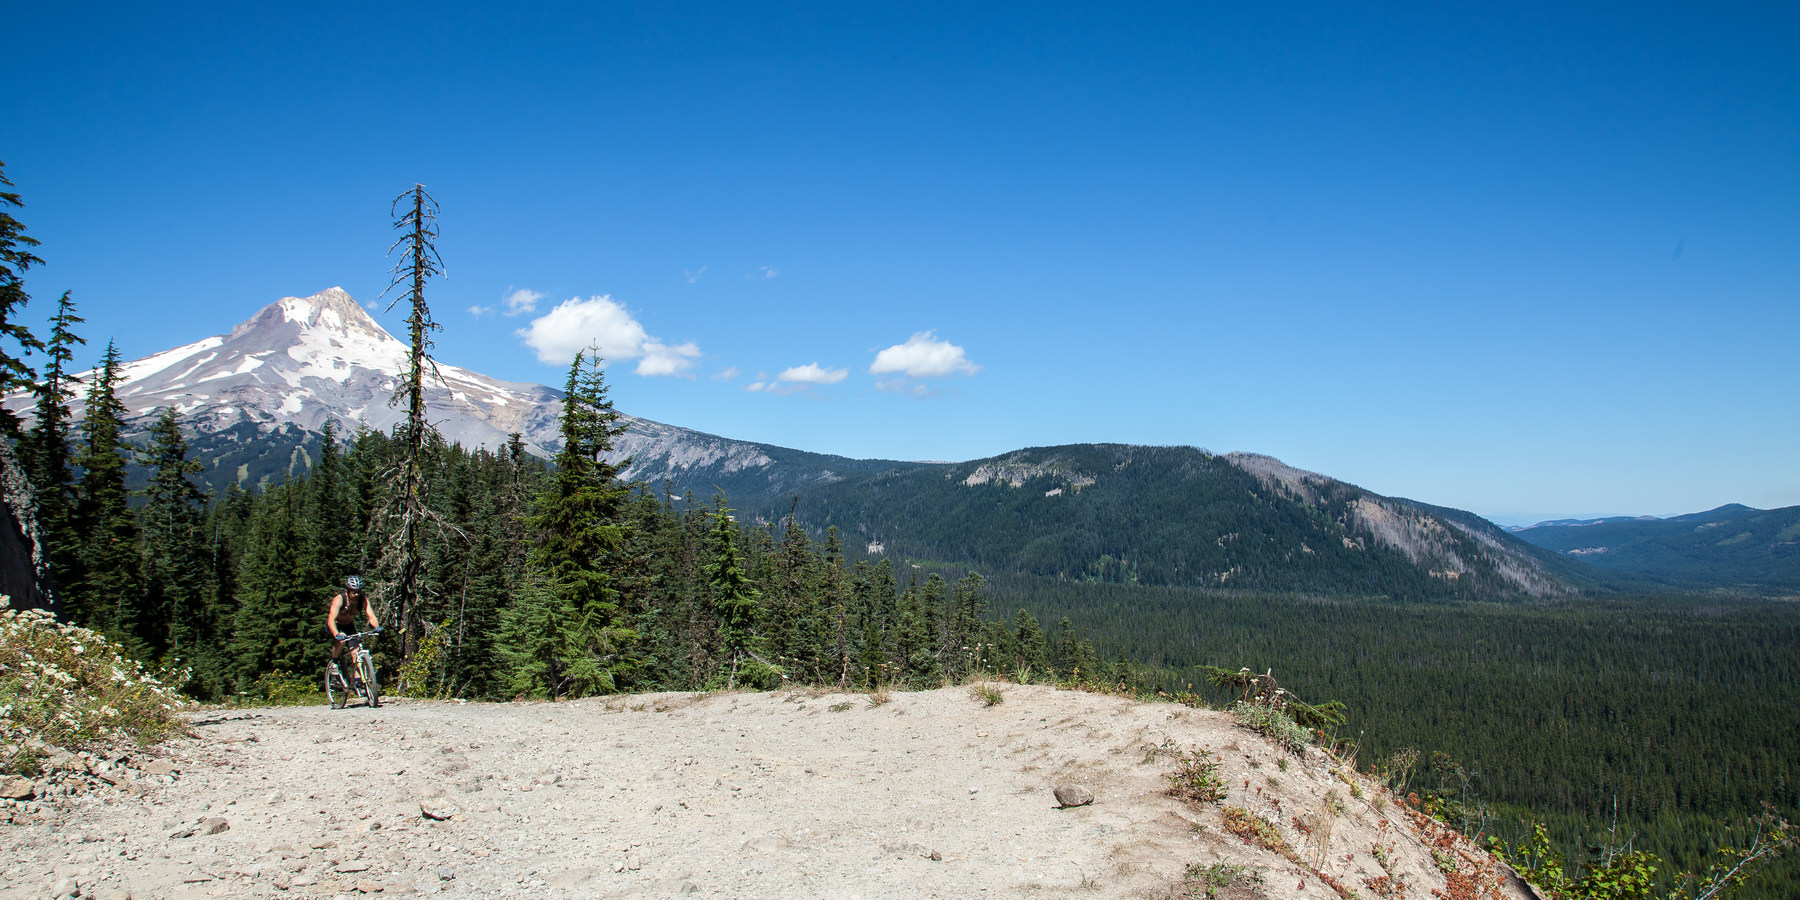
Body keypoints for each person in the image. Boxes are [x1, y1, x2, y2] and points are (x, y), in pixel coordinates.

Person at [326, 575, 381, 666]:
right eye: (353, 592)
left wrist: (376, 627)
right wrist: (336, 634)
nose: (356, 594)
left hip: (349, 625)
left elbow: (371, 616)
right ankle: (334, 663)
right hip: (335, 625)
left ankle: (359, 679)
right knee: (341, 641)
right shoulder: (339, 599)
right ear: (348, 591)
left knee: (356, 653)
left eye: (358, 592)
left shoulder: (362, 600)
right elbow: (331, 620)